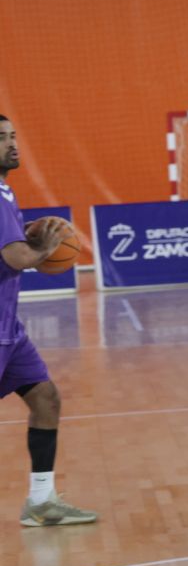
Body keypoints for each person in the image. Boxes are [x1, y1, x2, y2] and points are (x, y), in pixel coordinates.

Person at [0, 118, 95, 527]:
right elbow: (17, 259)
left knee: (46, 398)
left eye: (12, 137)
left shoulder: (6, 190)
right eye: (1, 141)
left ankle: (41, 501)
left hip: (9, 330)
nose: (12, 145)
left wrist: (32, 243)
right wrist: (47, 250)